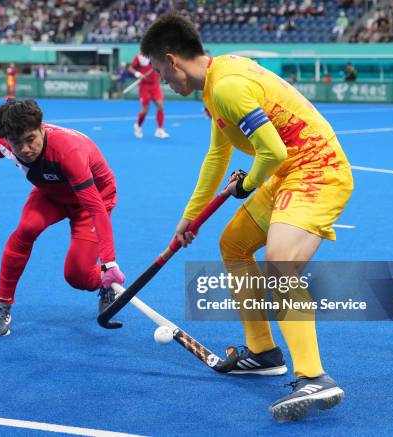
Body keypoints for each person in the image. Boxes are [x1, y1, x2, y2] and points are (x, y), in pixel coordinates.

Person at [140, 13, 353, 422]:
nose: (162, 80)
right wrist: (192, 216)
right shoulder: (214, 85)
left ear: (171, 59)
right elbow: (218, 156)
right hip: (290, 171)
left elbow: (273, 152)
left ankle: (315, 375)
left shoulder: (229, 87)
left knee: (280, 265)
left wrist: (248, 184)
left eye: (159, 71)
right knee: (233, 244)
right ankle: (262, 353)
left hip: (317, 171)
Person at [0, 99, 126, 337]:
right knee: (26, 229)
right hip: (52, 192)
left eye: (31, 139)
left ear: (42, 128)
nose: (26, 149)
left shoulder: (68, 151)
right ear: (6, 140)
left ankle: (105, 282)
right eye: (17, 143)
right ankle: (2, 304)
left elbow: (95, 209)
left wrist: (109, 262)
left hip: (93, 199)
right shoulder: (6, 143)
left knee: (77, 276)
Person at [128, 52, 169, 139]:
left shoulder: (156, 55)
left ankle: (160, 130)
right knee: (145, 109)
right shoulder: (139, 56)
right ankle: (138, 127)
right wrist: (138, 74)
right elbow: (130, 68)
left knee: (160, 106)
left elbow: (160, 68)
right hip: (144, 86)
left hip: (155, 85)